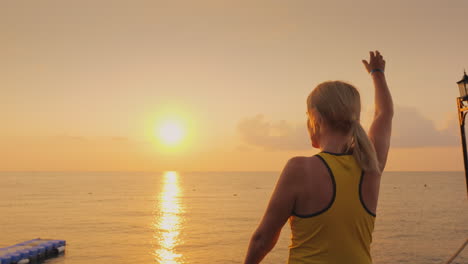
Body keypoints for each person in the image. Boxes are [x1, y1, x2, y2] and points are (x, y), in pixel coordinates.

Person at [243, 51, 393, 264]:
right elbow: (383, 114)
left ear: (316, 118)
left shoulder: (300, 169)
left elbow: (262, 240)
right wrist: (377, 73)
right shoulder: (371, 166)